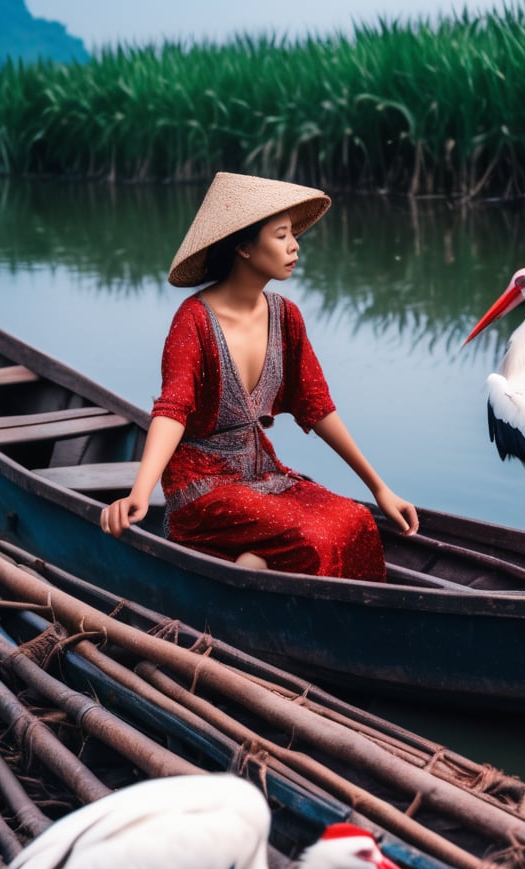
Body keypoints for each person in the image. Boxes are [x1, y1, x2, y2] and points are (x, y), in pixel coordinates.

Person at [100, 172, 418, 580]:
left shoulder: (285, 316)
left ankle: (251, 566)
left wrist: (379, 488)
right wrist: (139, 493)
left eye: (292, 234)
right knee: (313, 538)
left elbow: (317, 406)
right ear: (245, 248)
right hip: (202, 485)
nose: (295, 245)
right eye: (281, 235)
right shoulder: (194, 321)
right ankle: (265, 593)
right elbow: (172, 409)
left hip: (259, 474)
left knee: (357, 521)